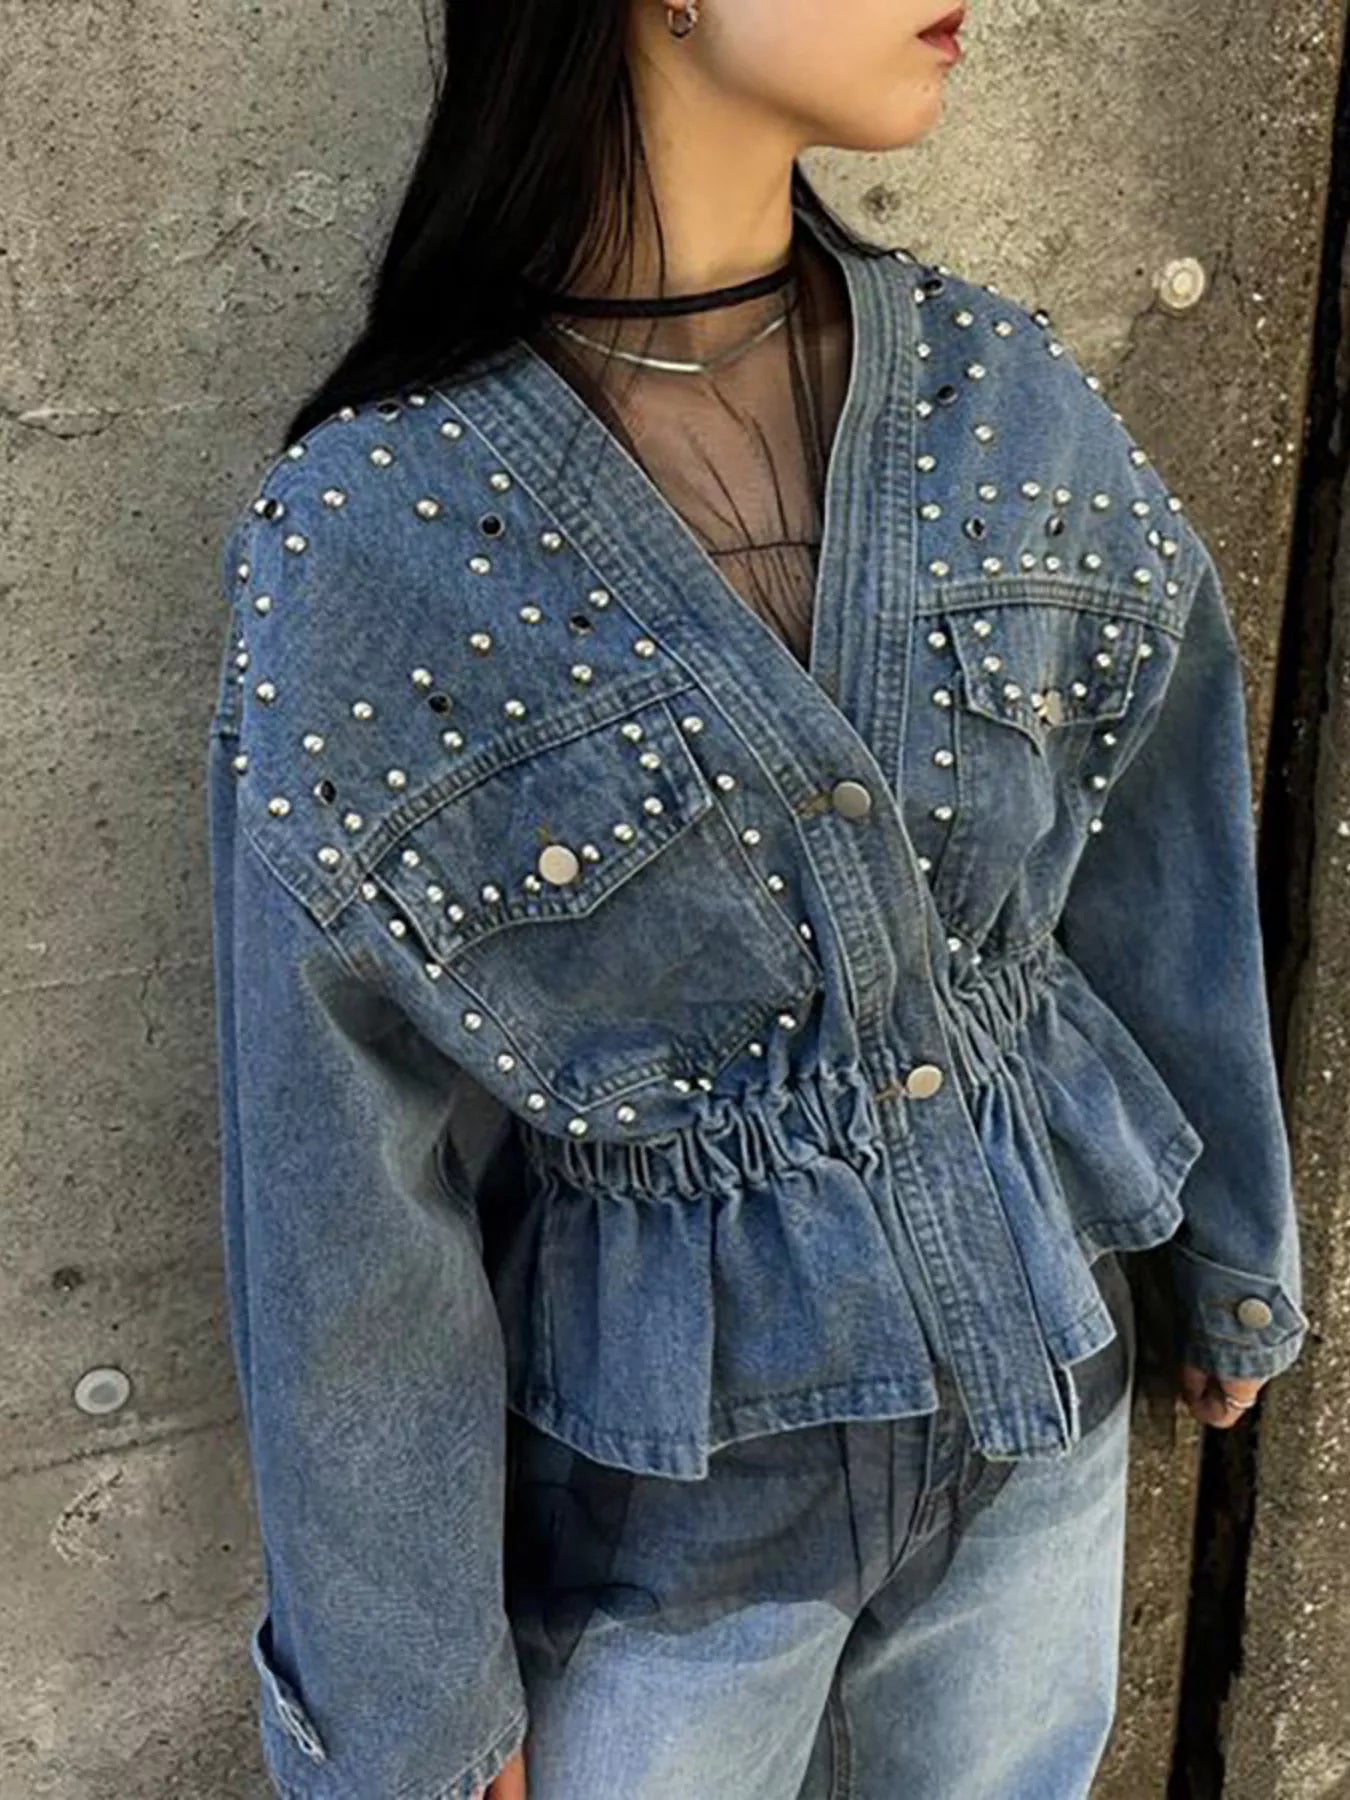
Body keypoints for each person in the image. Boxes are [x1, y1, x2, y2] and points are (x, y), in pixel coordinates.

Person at [205, 2, 1309, 1795]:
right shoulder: (374, 532)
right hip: (670, 1499)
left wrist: (1233, 1244)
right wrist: (409, 1704)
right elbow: (329, 1172)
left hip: (1049, 1386)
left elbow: (1159, 819)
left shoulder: (995, 390)